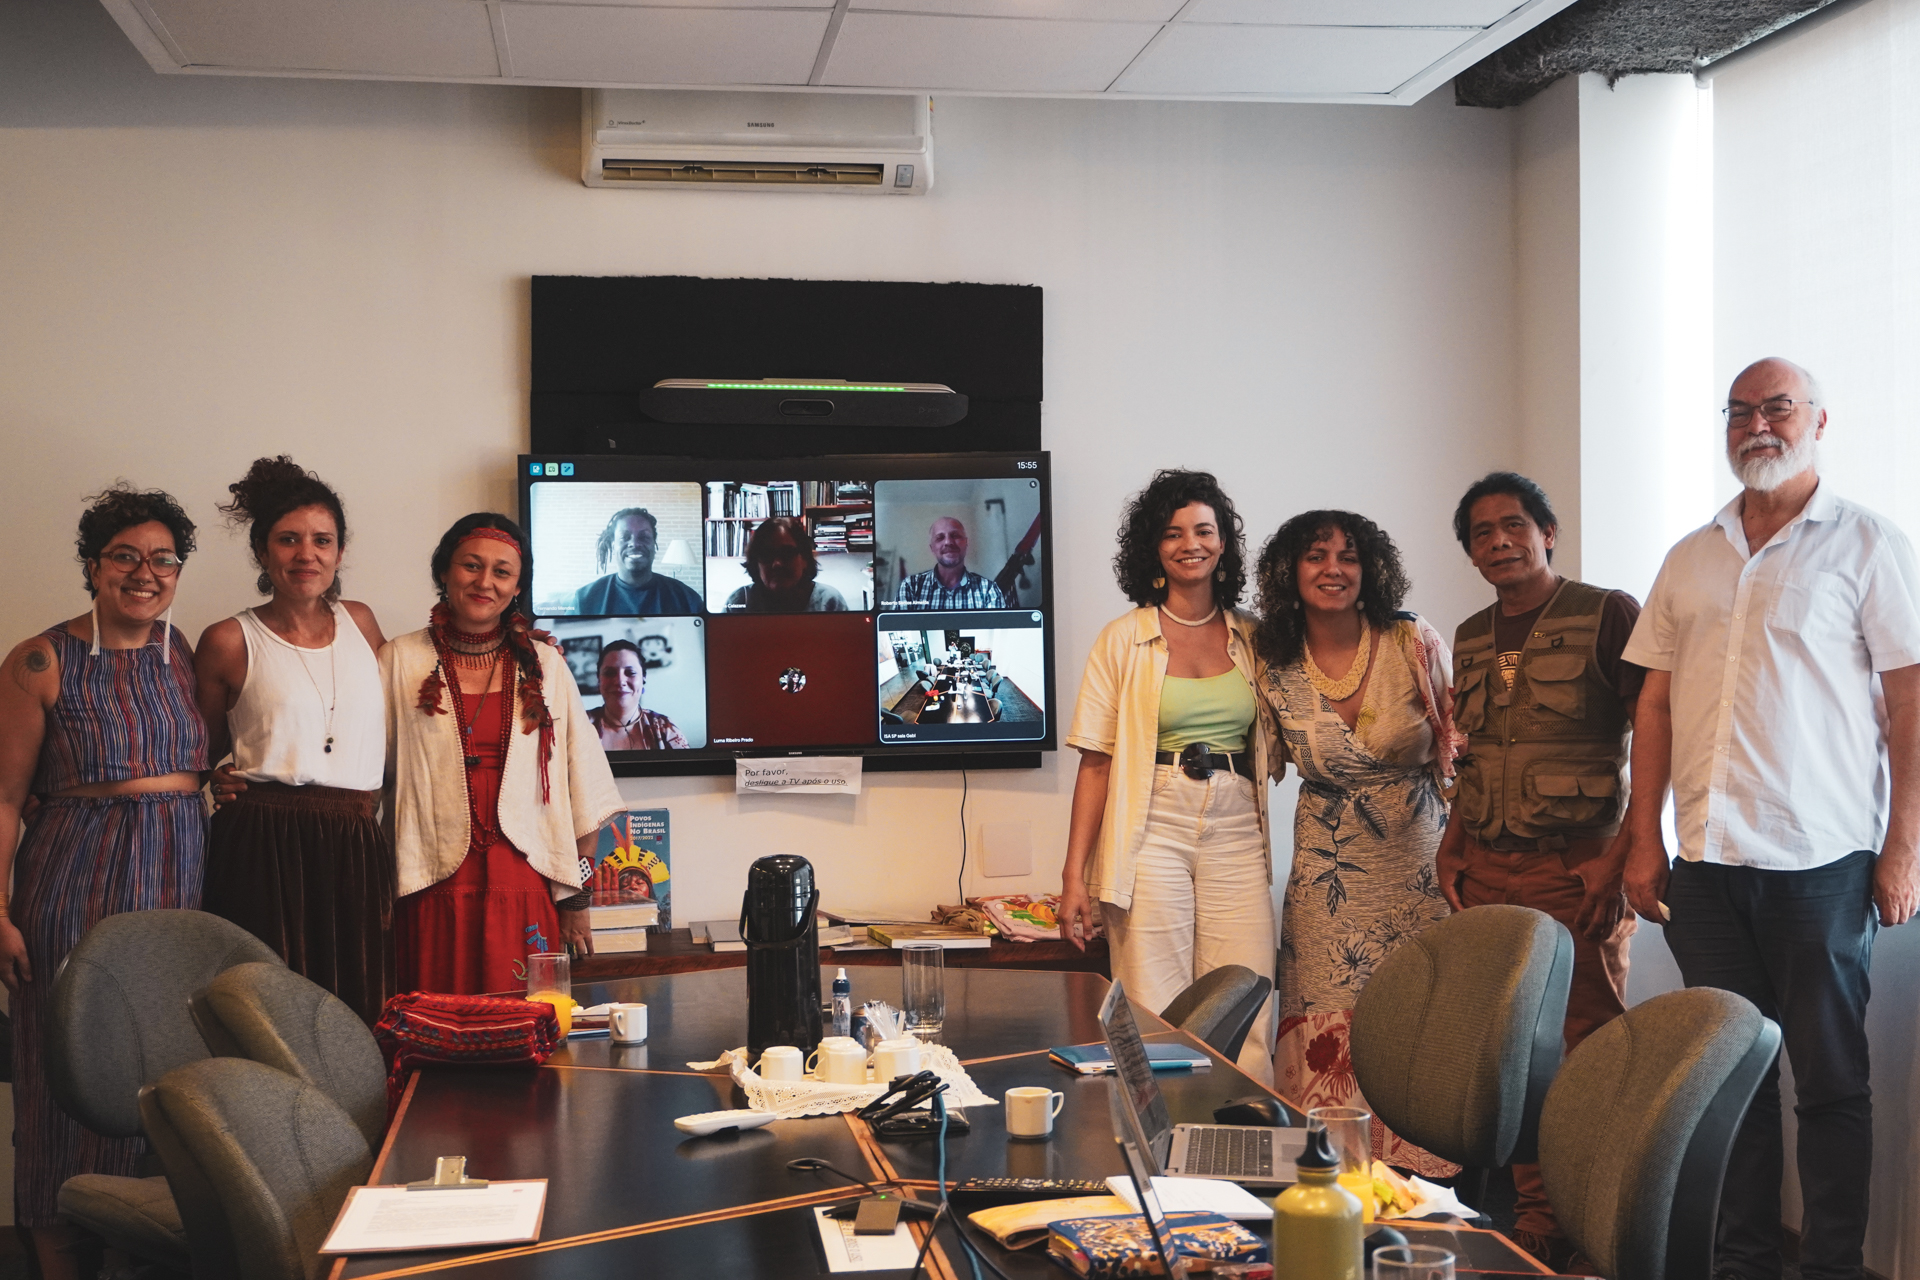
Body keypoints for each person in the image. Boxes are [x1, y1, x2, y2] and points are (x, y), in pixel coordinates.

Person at [1622, 358, 1920, 1280]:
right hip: (1707, 867)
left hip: (1822, 865)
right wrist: (1643, 839)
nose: (1758, 424)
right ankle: (1743, 1263)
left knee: (1831, 1086)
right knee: (1730, 1082)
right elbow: (1655, 706)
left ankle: (1831, 1269)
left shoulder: (1868, 544)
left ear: (1818, 421)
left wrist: (1905, 848)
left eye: (1778, 408)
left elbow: (1910, 702)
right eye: (1740, 410)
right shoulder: (1690, 555)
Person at [1435, 472, 1641, 1269]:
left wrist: (1624, 858)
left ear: (1547, 532)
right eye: (1481, 533)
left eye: (1514, 525)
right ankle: (1539, 1221)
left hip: (1575, 870)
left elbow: (1654, 737)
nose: (1499, 542)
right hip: (1489, 869)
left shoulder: (1607, 613)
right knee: (1515, 1050)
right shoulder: (1470, 635)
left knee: (1588, 1050)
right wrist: (1453, 844)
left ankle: (1598, 1225)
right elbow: (1475, 754)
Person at [0, 486, 206, 1280]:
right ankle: (57, 1255)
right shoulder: (39, 660)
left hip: (175, 882)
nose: (145, 573)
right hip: (75, 884)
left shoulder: (182, 654)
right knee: (65, 1065)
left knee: (157, 1065)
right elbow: (6, 798)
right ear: (93, 566)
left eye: (163, 559)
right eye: (125, 556)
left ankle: (135, 1252)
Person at [1252, 510, 1457, 1176]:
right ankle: (1330, 1166)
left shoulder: (1410, 639)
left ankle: (1419, 1171)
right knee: (1325, 1005)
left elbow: (1460, 746)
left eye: (1348, 556)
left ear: (1370, 569)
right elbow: (1253, 759)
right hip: (1327, 867)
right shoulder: (1272, 660)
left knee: (1418, 1007)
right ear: (1290, 571)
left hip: (1420, 860)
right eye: (1316, 556)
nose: (1333, 570)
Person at [1058, 470, 1277, 1084]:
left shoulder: (1254, 637)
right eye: (1173, 533)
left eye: (1204, 530)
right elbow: (1096, 764)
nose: (1190, 544)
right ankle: (1158, 1136)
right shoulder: (1122, 639)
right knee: (1154, 1005)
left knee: (1247, 1000)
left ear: (1223, 542)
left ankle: (1241, 1131)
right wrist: (1075, 875)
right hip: (1151, 824)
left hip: (1236, 824)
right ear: (1153, 548)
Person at [387, 513, 626, 995]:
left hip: (527, 878)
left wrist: (576, 900)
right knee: (434, 1021)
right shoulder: (398, 659)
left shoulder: (545, 664)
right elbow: (365, 770)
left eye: (502, 572)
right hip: (429, 878)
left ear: (517, 587)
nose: (485, 582)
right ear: (444, 572)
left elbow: (583, 786)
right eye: (471, 565)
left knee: (523, 1022)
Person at [195, 456, 394, 1023]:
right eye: (288, 539)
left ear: (340, 552)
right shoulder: (229, 639)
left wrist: (517, 640)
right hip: (262, 843)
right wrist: (216, 776)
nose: (307, 554)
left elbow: (420, 693)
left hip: (355, 840)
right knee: (265, 1011)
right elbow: (195, 753)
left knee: (356, 1011)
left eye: (321, 540)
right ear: (262, 551)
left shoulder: (363, 623)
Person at [572, 507, 704, 616]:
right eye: (625, 537)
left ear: (654, 545)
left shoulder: (687, 599)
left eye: (644, 537)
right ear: (613, 546)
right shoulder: (584, 599)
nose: (634, 544)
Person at [724, 516, 848, 613]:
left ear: (804, 558)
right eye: (766, 554)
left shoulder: (830, 601)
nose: (777, 564)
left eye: (787, 553)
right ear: (756, 564)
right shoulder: (740, 600)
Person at [587, 640, 689, 750]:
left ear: (643, 678)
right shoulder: (579, 724)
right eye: (610, 673)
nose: (620, 681)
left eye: (630, 672)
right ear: (599, 679)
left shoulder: (665, 728)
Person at [897, 517, 1008, 610]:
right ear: (932, 548)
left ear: (966, 542)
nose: (948, 542)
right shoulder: (911, 586)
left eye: (955, 535)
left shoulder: (988, 590)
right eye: (940, 538)